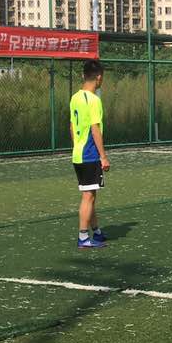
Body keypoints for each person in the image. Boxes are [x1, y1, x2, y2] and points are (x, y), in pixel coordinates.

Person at [71, 59, 110, 248]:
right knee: (88, 196)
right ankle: (83, 237)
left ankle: (97, 232)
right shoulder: (94, 100)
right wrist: (103, 156)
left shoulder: (75, 97)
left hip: (78, 153)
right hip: (89, 154)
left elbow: (71, 126)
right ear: (99, 77)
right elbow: (95, 129)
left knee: (90, 193)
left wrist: (77, 146)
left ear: (82, 75)